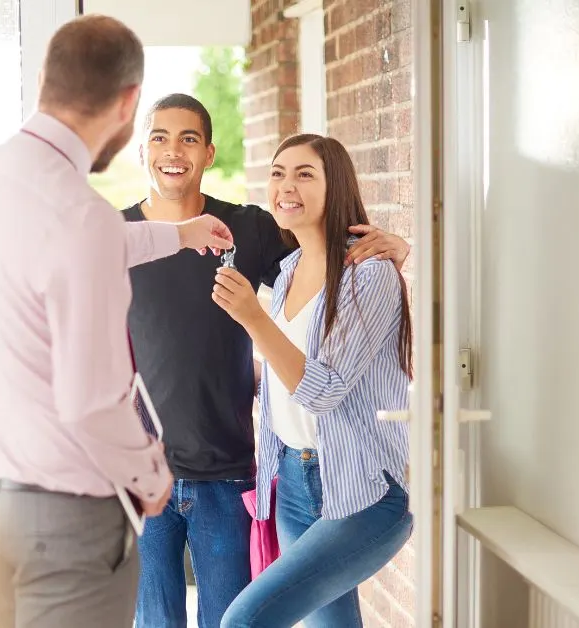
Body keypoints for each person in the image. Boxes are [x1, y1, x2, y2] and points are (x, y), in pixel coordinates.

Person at [0, 16, 238, 628]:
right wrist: (149, 473)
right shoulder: (79, 216)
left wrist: (178, 234)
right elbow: (91, 400)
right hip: (65, 520)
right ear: (129, 103)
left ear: (44, 80)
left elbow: (79, 245)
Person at [123, 94, 411, 628]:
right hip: (141, 475)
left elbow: (332, 270)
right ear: (142, 150)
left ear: (209, 153)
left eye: (189, 138)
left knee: (235, 618)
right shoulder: (117, 240)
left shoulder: (248, 230)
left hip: (229, 472)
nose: (173, 150)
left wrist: (395, 246)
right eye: (160, 137)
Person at [212, 133, 414, 627]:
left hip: (362, 488)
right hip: (296, 480)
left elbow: (322, 390)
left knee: (244, 620)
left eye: (305, 174)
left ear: (336, 186)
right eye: (278, 173)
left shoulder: (367, 273)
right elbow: (287, 376)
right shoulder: (286, 273)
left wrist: (252, 319)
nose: (286, 185)